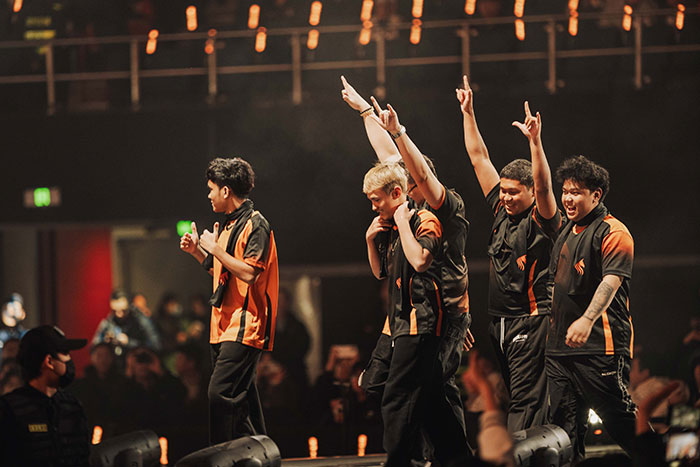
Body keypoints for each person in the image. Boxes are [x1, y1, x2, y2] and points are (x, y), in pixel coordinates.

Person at [342, 76, 474, 462]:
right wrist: (365, 112)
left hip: (441, 313)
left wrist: (399, 131)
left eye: (410, 184)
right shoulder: (407, 209)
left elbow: (415, 173)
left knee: (428, 389)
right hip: (409, 310)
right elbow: (388, 157)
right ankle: (448, 456)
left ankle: (438, 457)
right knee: (406, 389)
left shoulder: (442, 209)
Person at [457, 75, 561, 432]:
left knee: (526, 402)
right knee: (516, 395)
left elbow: (545, 184)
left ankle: (523, 454)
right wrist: (468, 113)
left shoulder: (542, 220)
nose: (505, 197)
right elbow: (478, 157)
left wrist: (535, 142)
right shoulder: (501, 211)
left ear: (530, 192)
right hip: (499, 322)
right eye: (503, 191)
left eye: (514, 192)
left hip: (531, 320)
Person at [363, 162, 469, 467]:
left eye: (376, 200)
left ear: (397, 192)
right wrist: (370, 239)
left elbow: (421, 260)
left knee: (398, 396)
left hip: (421, 321)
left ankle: (400, 459)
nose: (373, 207)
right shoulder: (394, 225)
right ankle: (457, 456)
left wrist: (403, 223)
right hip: (399, 321)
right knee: (426, 396)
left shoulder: (423, 219)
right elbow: (381, 272)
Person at [180, 156, 279, 445]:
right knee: (242, 398)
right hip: (223, 324)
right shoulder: (227, 225)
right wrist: (198, 252)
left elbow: (249, 273)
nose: (209, 195)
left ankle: (225, 456)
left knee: (220, 394)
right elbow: (223, 271)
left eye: (211, 189)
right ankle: (260, 452)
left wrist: (215, 250)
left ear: (225, 190)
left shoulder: (256, 223)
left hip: (245, 324)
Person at [546, 155, 636, 459]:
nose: (567, 199)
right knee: (563, 433)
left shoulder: (613, 231)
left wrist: (587, 319)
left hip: (599, 347)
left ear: (596, 195)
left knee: (620, 422)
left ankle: (661, 459)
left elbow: (611, 281)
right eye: (565, 191)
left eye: (576, 192)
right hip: (559, 352)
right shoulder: (565, 232)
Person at [0, 325, 90, 466]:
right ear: (49, 361)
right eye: (65, 353)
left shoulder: (72, 406)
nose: (70, 360)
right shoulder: (9, 409)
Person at [92, 289, 161, 357]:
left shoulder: (141, 320)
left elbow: (156, 346)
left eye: (123, 311)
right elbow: (93, 348)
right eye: (114, 311)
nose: (119, 314)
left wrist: (129, 342)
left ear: (130, 306)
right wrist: (105, 343)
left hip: (139, 361)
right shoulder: (109, 321)